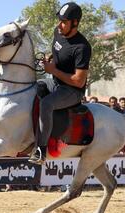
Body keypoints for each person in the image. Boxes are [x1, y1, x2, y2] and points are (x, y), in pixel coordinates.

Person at [29, 2, 91, 164]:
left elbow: (78, 81)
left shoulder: (82, 47)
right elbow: (58, 50)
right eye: (60, 20)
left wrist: (53, 70)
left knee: (47, 104)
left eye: (64, 22)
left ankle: (41, 150)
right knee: (32, 87)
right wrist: (50, 58)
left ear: (75, 23)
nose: (59, 25)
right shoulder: (58, 32)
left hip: (71, 91)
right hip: (54, 82)